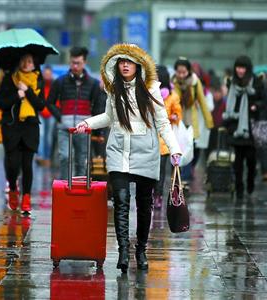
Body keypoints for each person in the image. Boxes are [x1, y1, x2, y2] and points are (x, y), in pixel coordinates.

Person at [75, 43, 182, 273]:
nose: (125, 65)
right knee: (121, 203)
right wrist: (88, 123)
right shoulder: (114, 89)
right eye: (121, 61)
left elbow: (162, 122)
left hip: (146, 153)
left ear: (138, 65)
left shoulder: (151, 89)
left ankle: (141, 250)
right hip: (118, 152)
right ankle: (123, 251)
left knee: (144, 205)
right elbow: (108, 117)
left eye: (129, 61)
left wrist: (174, 149)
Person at [0, 53, 45, 213]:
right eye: (23, 60)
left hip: (30, 128)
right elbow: (0, 103)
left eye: (29, 61)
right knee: (13, 165)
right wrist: (16, 95)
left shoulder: (38, 79)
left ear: (34, 64)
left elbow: (40, 105)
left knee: (27, 165)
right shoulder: (9, 78)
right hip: (12, 127)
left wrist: (28, 91)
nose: (26, 64)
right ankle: (12, 188)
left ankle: (26, 197)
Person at [47, 46, 101, 179]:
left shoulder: (93, 84)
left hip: (83, 129)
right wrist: (60, 117)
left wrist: (93, 125)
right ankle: (66, 186)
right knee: (65, 157)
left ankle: (79, 189)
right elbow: (49, 102)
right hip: (64, 128)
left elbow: (98, 106)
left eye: (78, 63)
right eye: (72, 63)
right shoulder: (60, 82)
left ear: (84, 63)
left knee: (81, 161)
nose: (75, 66)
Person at [223, 55, 264, 200]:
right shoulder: (232, 83)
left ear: (248, 69)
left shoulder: (257, 83)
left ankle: (250, 181)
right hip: (235, 128)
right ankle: (239, 188)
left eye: (243, 67)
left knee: (251, 159)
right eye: (238, 67)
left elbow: (262, 101)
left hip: (251, 128)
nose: (240, 70)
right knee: (237, 161)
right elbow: (228, 104)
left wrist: (255, 106)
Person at [172, 57, 214, 187]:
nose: (181, 75)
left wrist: (209, 122)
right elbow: (173, 101)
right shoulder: (173, 83)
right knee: (178, 150)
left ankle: (186, 176)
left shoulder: (195, 82)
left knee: (191, 150)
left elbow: (202, 100)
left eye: (183, 72)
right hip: (178, 121)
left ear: (188, 71)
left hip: (191, 120)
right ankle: (180, 178)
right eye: (179, 72)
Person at [153, 65, 182, 209]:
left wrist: (173, 116)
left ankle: (158, 196)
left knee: (161, 171)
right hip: (150, 138)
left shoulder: (172, 96)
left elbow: (178, 114)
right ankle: (152, 194)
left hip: (164, 139)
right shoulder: (148, 93)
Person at [36, 65, 56, 167]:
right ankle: (41, 156)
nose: (47, 75)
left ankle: (47, 157)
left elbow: (57, 99)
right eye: (45, 73)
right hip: (41, 113)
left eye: (49, 73)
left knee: (48, 137)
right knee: (41, 135)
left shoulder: (54, 84)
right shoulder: (39, 84)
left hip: (51, 113)